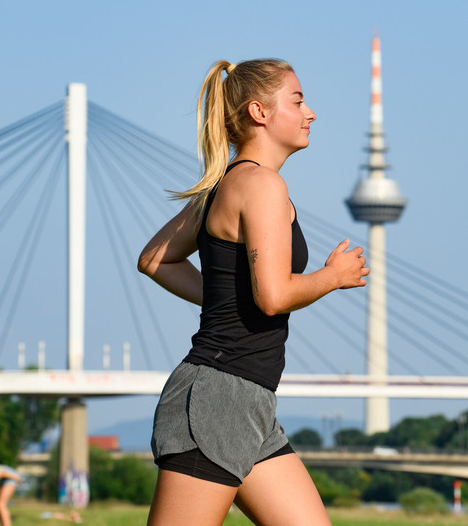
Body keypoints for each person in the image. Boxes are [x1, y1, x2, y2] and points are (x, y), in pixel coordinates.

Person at [138, 58, 369, 526]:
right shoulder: (262, 185)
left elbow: (154, 259)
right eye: (299, 100)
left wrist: (228, 301)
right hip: (217, 398)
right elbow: (272, 297)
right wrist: (333, 276)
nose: (311, 113)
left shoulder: (226, 184)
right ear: (260, 112)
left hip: (249, 402)